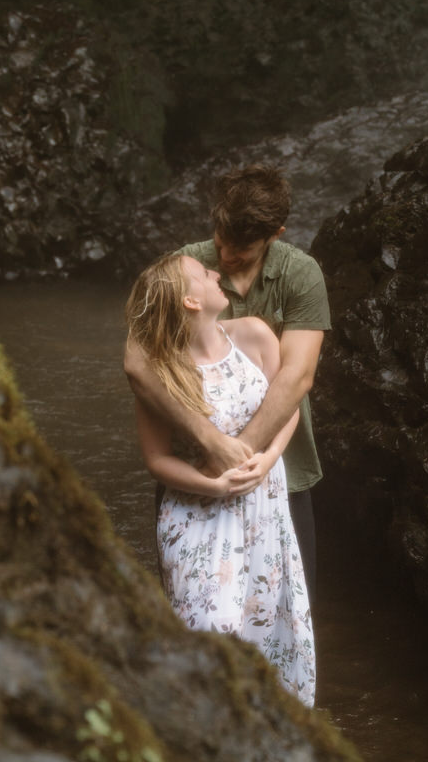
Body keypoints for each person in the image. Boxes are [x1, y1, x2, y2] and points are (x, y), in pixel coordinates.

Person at [124, 164, 330, 592]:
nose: (225, 258)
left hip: (281, 474)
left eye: (242, 250)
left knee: (286, 607)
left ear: (276, 233)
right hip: (191, 473)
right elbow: (138, 362)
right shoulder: (187, 267)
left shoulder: (301, 274)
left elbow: (297, 376)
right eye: (221, 243)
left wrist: (234, 461)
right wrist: (209, 446)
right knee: (196, 616)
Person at [126, 250, 316, 705]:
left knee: (270, 629)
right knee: (208, 633)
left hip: (263, 507)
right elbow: (156, 460)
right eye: (204, 275)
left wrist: (269, 457)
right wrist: (211, 485)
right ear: (191, 303)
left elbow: (286, 407)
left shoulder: (253, 335)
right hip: (196, 513)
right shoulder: (162, 369)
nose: (215, 274)